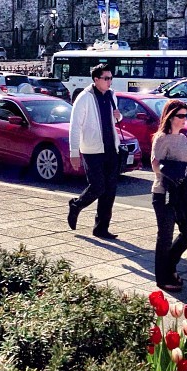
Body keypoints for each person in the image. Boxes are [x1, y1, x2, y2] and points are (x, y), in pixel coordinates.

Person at [150, 99, 187, 292]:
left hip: (182, 192)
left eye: (186, 115)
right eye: (181, 116)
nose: (185, 119)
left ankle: (170, 266)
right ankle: (163, 278)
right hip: (164, 192)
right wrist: (170, 171)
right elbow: (154, 164)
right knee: (165, 237)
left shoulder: (183, 139)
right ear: (170, 117)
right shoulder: (161, 138)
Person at [68, 63, 122, 239]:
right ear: (96, 79)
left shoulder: (112, 95)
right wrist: (74, 152)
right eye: (106, 78)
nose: (110, 82)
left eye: (111, 78)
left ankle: (101, 228)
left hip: (111, 149)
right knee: (98, 186)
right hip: (92, 151)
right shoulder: (84, 98)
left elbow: (116, 119)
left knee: (110, 191)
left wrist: (118, 116)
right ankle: (76, 205)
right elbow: (75, 126)